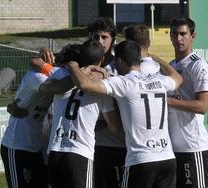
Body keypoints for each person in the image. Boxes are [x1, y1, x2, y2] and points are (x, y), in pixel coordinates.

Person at [67, 40, 183, 188]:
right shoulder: (159, 81)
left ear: (120, 61)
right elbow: (178, 79)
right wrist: (158, 59)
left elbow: (84, 85)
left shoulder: (124, 83)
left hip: (141, 160)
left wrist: (73, 66)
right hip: (167, 158)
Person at [44, 40, 122, 188]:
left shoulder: (63, 77)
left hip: (55, 150)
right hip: (79, 153)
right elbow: (114, 128)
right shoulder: (101, 88)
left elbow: (45, 86)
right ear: (102, 60)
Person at [168, 16, 208, 188]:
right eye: (174, 34)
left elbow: (202, 106)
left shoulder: (198, 66)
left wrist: (169, 102)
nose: (178, 39)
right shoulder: (171, 66)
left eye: (183, 34)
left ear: (193, 36)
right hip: (172, 149)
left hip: (193, 148)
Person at [0, 58, 55, 188]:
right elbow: (34, 62)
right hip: (19, 146)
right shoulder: (36, 78)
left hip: (40, 149)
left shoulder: (62, 86)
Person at [88, 17, 126, 188]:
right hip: (90, 146)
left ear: (113, 40)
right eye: (96, 37)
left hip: (116, 143)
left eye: (104, 37)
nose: (100, 42)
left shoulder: (120, 66)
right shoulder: (83, 65)